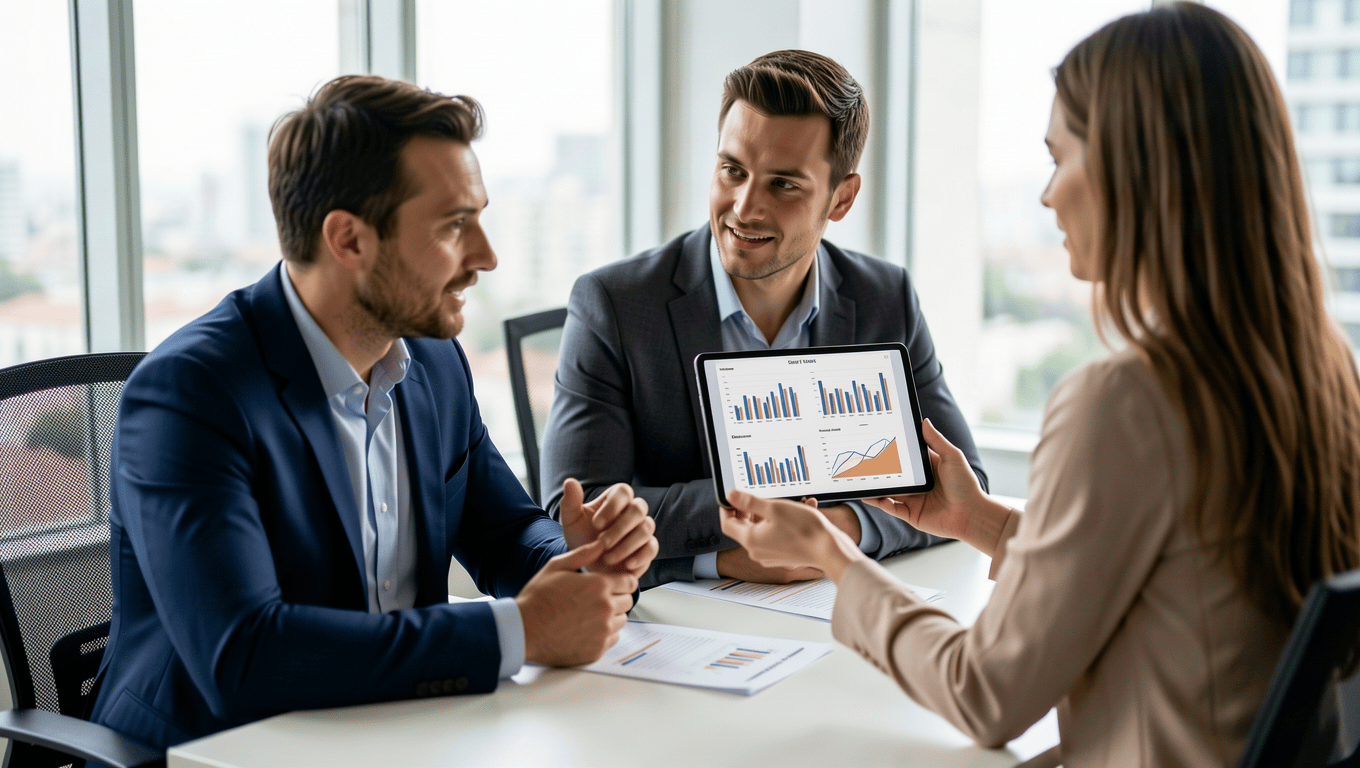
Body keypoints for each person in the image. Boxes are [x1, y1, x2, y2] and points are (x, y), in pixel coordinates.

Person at [717, 5, 1360, 766]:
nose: (1048, 196)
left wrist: (833, 557)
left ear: (1136, 170)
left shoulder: (1125, 400)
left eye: (1062, 159)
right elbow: (1180, 580)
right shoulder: (1320, 369)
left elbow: (984, 695)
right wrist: (980, 520)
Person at [89, 75, 658, 751]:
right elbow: (242, 656)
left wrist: (581, 560)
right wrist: (521, 631)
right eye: (454, 225)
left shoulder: (434, 364)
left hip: (398, 732)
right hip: (221, 750)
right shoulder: (190, 394)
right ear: (349, 240)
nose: (486, 256)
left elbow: (504, 535)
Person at [540, 50, 986, 588]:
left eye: (784, 184)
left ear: (841, 198)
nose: (745, 207)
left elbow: (964, 487)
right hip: (677, 625)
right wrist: (728, 552)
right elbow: (579, 510)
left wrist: (838, 533)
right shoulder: (612, 304)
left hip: (831, 615)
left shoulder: (884, 297)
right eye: (732, 170)